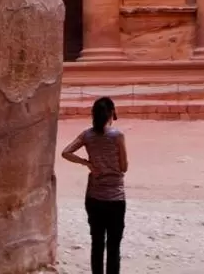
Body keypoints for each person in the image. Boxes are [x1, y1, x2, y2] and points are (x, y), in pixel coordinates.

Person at [61, 96, 128, 274]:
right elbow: (124, 167)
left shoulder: (87, 135)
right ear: (111, 114)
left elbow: (66, 152)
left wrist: (87, 163)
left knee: (97, 242)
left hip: (94, 197)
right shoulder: (117, 136)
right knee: (114, 245)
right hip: (115, 197)